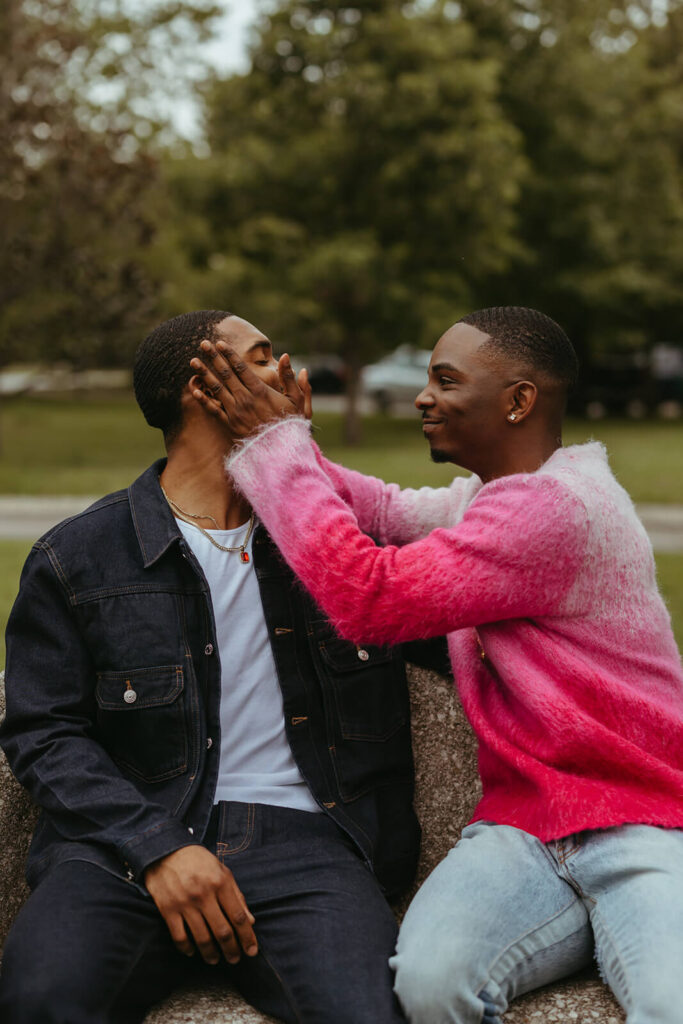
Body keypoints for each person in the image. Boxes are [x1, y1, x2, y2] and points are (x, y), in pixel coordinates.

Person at [188, 305, 683, 1024]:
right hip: (522, 829)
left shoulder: (554, 511)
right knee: (428, 983)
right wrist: (290, 444)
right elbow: (384, 508)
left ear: (517, 401)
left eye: (445, 381)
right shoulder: (497, 496)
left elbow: (368, 598)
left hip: (640, 820)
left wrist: (277, 444)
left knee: (669, 1004)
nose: (423, 397)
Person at [0, 310, 422, 1024]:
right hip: (123, 843)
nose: (287, 372)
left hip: (307, 841)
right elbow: (44, 730)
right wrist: (157, 848)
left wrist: (304, 471)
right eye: (260, 358)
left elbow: (470, 608)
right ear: (205, 386)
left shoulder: (335, 544)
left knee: (367, 1013)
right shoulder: (78, 557)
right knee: (41, 999)